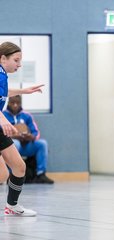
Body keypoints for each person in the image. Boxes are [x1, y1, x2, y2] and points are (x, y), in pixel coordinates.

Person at [0, 41, 44, 216]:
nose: (19, 65)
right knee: (3, 174)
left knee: (19, 167)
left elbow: (3, 92)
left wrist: (24, 91)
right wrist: (2, 118)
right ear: (3, 58)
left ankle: (12, 206)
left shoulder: (2, 74)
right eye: (16, 60)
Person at [4, 95, 54, 184]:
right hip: (11, 145)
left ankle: (40, 174)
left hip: (26, 146)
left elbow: (36, 132)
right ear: (8, 103)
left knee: (42, 144)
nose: (15, 105)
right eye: (12, 103)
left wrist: (31, 137)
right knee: (15, 143)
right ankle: (12, 175)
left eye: (17, 103)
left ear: (20, 103)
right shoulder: (3, 115)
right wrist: (14, 136)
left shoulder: (27, 116)